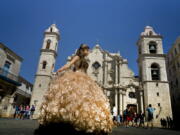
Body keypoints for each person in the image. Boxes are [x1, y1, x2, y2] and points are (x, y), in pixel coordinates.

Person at [35, 44, 113, 135]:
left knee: (84, 100)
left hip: (85, 78)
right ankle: (68, 119)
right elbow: (69, 65)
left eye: (88, 50)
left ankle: (82, 121)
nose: (88, 52)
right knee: (73, 98)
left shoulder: (84, 59)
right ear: (82, 50)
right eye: (86, 50)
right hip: (76, 76)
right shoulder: (77, 57)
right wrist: (60, 70)